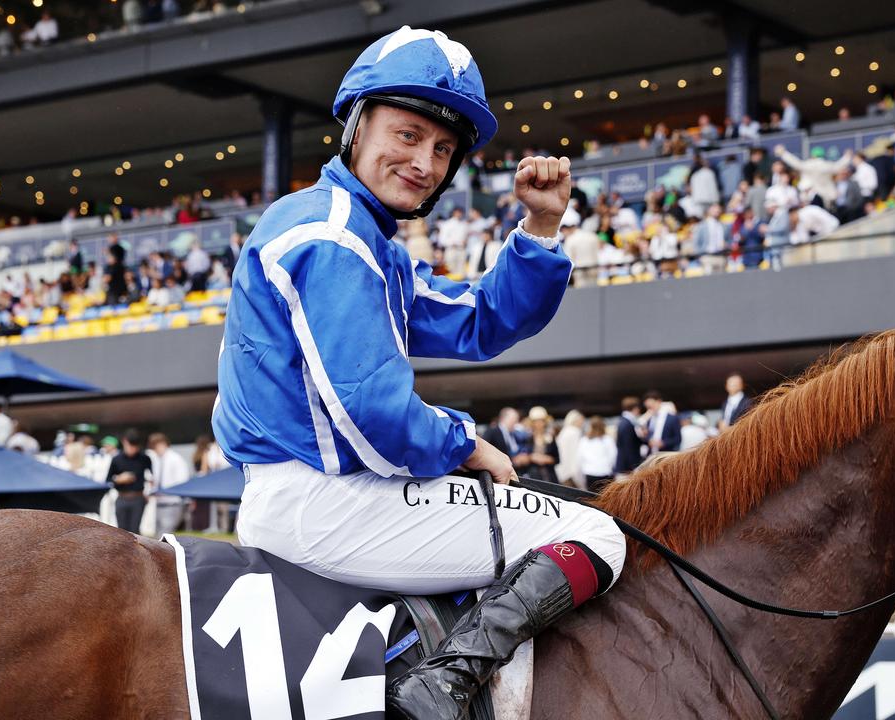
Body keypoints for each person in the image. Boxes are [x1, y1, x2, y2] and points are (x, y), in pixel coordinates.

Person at [210, 26, 625, 720]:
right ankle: (443, 684)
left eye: (441, 150)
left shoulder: (371, 245)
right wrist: (466, 443)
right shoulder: (333, 236)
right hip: (325, 502)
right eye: (406, 135)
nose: (425, 163)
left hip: (319, 499)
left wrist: (542, 228)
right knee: (596, 533)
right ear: (356, 124)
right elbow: (371, 408)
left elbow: (481, 320)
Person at [106, 430, 152, 534]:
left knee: (135, 530)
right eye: (130, 445)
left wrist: (148, 492)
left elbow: (152, 476)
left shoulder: (144, 458)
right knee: (122, 531)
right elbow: (108, 480)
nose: (132, 449)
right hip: (122, 497)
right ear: (124, 442)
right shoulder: (117, 459)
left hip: (138, 497)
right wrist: (119, 479)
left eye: (135, 446)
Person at [148, 432, 190, 536]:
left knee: (165, 533)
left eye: (155, 446)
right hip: (159, 501)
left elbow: (182, 480)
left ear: (163, 444)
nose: (154, 450)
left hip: (172, 502)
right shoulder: (157, 460)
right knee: (158, 533)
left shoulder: (176, 459)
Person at [578, 416, 617, 493]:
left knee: (591, 499)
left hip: (589, 473)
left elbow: (580, 458)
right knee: (605, 498)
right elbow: (613, 456)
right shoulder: (607, 440)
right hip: (605, 473)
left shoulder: (584, 441)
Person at [613, 395, 644, 477]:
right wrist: (634, 467)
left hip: (625, 466)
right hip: (627, 469)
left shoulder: (626, 421)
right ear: (635, 408)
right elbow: (628, 447)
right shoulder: (627, 423)